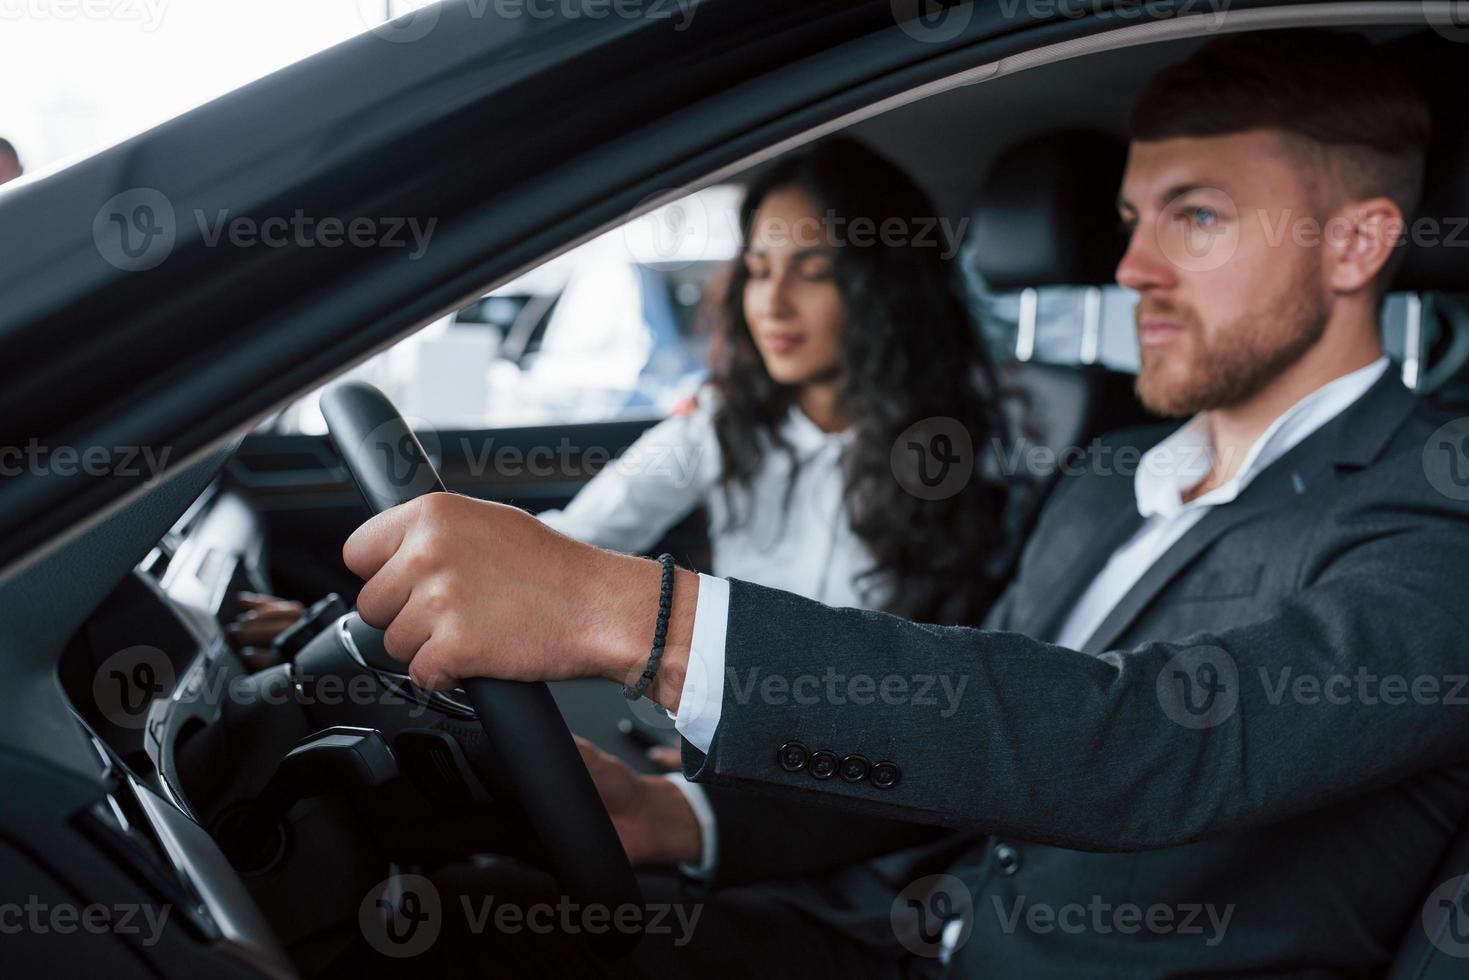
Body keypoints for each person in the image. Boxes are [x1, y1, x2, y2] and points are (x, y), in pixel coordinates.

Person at [342, 29, 1469, 977]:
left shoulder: (1430, 517)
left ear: (1354, 242)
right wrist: (677, 819)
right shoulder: (1110, 480)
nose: (1130, 268)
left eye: (1197, 217)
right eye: (1132, 219)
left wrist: (630, 613)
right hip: (900, 933)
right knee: (457, 916)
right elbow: (974, 745)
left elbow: (1145, 743)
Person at [233, 139, 1012, 647]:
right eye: (760, 271)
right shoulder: (721, 421)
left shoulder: (975, 434)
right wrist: (332, 632)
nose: (771, 304)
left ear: (881, 288)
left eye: (812, 274)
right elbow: (573, 538)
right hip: (738, 743)